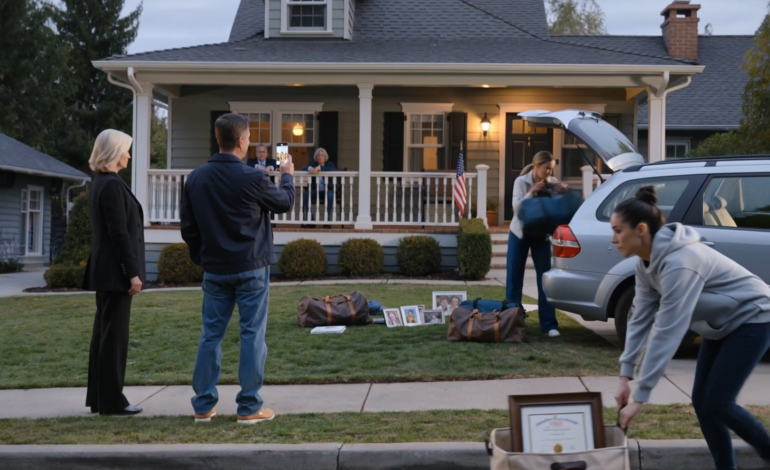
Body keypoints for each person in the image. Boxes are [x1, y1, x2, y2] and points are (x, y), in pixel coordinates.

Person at [611, 186, 770, 470]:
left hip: (754, 316)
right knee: (703, 402)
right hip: (722, 323)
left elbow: (667, 330)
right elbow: (640, 318)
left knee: (719, 402)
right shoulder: (644, 264)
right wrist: (625, 376)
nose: (614, 239)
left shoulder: (680, 263)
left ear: (641, 230)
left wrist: (641, 396)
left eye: (618, 230)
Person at [180, 113, 295, 425]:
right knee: (251, 335)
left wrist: (201, 258)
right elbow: (284, 202)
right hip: (251, 268)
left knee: (211, 335)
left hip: (215, 268)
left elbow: (188, 228)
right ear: (243, 142)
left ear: (219, 140)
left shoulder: (196, 178)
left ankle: (203, 405)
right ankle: (248, 407)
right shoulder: (252, 178)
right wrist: (287, 174)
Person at [83, 129, 145, 416]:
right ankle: (111, 401)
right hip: (114, 273)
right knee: (113, 339)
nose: (129, 155)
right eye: (126, 150)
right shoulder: (110, 185)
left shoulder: (103, 182)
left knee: (104, 336)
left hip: (106, 271)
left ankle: (99, 398)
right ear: (113, 153)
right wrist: (132, 272)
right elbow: (118, 233)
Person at [507, 151, 560, 338]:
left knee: (544, 279)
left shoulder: (551, 182)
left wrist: (560, 192)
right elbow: (517, 209)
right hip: (519, 233)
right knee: (514, 278)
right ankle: (512, 322)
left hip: (541, 235)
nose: (548, 173)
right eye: (546, 169)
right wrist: (531, 192)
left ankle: (549, 325)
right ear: (536, 166)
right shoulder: (521, 182)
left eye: (551, 170)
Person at [301, 147, 336, 228]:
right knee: (306, 194)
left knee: (330, 194)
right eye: (318, 155)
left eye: (322, 155)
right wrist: (310, 169)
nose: (320, 157)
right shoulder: (313, 165)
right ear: (316, 157)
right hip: (315, 191)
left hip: (326, 191)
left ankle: (327, 220)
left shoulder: (329, 164)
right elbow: (304, 168)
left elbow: (332, 169)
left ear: (325, 157)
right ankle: (311, 220)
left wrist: (320, 168)